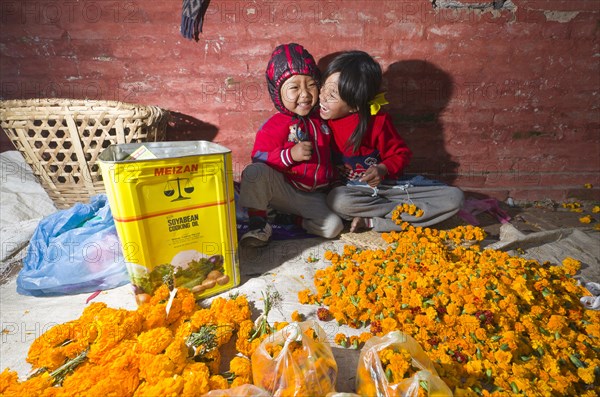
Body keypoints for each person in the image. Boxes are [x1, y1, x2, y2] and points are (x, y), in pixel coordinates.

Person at [319, 50, 464, 232]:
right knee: (337, 200)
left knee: (454, 198)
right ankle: (399, 216)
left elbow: (401, 154)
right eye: (323, 87)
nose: (322, 96)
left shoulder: (377, 123)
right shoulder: (317, 120)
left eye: (332, 95)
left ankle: (373, 221)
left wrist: (382, 169)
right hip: (354, 192)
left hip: (389, 188)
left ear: (355, 105)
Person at [238, 43, 344, 247]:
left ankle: (287, 219)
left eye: (311, 85)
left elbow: (333, 159)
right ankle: (259, 223)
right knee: (254, 173)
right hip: (284, 189)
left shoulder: (323, 123)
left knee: (334, 227)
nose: (304, 94)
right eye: (294, 88)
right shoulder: (275, 125)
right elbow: (259, 157)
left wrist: (335, 183)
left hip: (313, 196)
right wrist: (290, 156)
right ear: (277, 92)